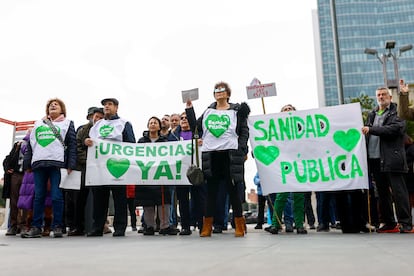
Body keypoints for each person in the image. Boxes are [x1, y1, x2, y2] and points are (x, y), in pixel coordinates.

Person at [185, 81, 250, 237]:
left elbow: (244, 131)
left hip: (230, 155)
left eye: (222, 90)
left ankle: (239, 224)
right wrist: (189, 109)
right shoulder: (208, 111)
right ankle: (207, 225)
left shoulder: (237, 110)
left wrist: (241, 149)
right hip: (212, 155)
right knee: (211, 192)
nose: (219, 92)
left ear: (228, 93)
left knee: (233, 191)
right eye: (216, 90)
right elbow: (195, 127)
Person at [22, 98, 77, 238]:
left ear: (62, 109)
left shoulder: (67, 123)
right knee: (38, 196)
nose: (53, 106)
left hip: (57, 164)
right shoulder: (38, 124)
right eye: (50, 105)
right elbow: (30, 144)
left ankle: (57, 226)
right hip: (39, 163)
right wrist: (27, 163)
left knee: (57, 196)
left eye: (56, 104)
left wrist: (71, 164)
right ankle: (36, 227)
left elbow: (72, 144)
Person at [362, 87, 413, 233]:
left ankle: (406, 223)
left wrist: (371, 130)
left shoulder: (397, 113)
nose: (381, 97)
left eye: (384, 94)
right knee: (382, 193)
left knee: (399, 192)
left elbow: (394, 130)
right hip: (374, 159)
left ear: (390, 97)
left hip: (392, 158)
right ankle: (390, 223)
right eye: (378, 95)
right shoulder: (371, 114)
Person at [85, 98, 136, 237]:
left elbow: (131, 144)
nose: (106, 107)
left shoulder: (124, 124)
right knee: (99, 198)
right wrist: (87, 142)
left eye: (109, 104)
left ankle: (120, 227)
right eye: (104, 105)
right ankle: (98, 227)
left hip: (118, 165)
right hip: (100, 166)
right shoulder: (97, 125)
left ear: (116, 108)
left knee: (120, 198)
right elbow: (92, 142)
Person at [268, 104, 307, 235]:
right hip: (284, 165)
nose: (288, 111)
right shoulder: (277, 130)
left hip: (299, 164)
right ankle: (275, 224)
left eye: (290, 109)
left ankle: (300, 224)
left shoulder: (301, 128)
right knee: (281, 196)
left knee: (299, 196)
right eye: (285, 109)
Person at [136, 116, 176, 235]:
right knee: (147, 201)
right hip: (147, 174)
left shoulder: (165, 142)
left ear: (159, 126)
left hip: (161, 174)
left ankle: (165, 225)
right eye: (150, 122)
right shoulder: (141, 141)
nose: (152, 124)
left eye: (155, 122)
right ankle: (149, 226)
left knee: (164, 201)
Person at [68, 107, 104, 236]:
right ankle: (78, 226)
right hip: (84, 168)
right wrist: (88, 159)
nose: (98, 119)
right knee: (80, 198)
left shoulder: (106, 131)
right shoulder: (83, 130)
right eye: (96, 116)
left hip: (100, 168)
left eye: (101, 117)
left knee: (98, 198)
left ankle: (99, 225)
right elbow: (76, 146)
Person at [4, 138, 26, 235]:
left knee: (26, 201)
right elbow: (7, 159)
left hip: (27, 173)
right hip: (16, 174)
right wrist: (7, 168)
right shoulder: (17, 145)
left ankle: (24, 225)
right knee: (14, 201)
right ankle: (13, 225)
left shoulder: (33, 145)